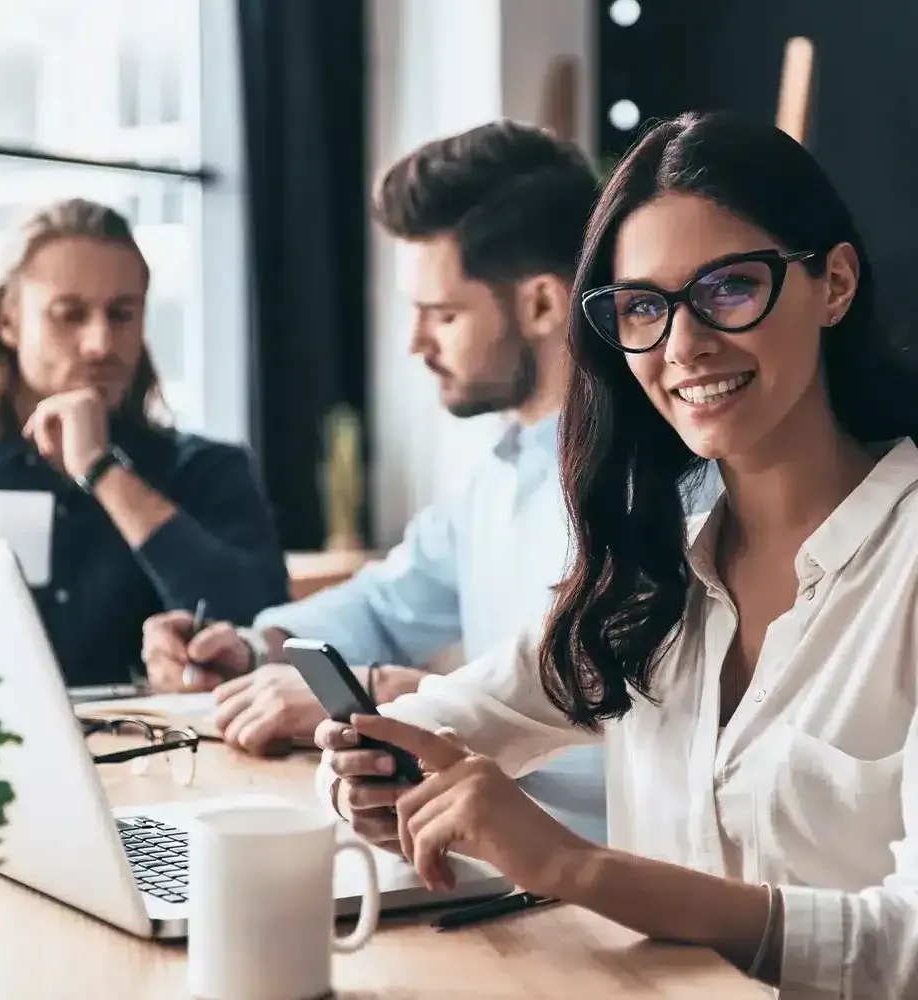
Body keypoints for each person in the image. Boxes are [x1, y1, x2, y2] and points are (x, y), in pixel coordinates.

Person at [316, 110, 918, 998]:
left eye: (729, 288)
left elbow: (905, 942)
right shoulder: (650, 571)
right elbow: (446, 721)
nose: (682, 345)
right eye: (644, 306)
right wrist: (364, 774)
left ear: (834, 283)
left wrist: (578, 867)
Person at [140, 120, 606, 760]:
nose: (416, 343)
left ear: (542, 306)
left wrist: (383, 693)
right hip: (477, 830)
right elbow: (387, 606)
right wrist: (252, 647)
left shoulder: (646, 478)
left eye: (443, 315)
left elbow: (605, 715)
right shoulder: (498, 469)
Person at [0, 199, 289, 686]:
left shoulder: (206, 469)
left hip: (164, 754)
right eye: (69, 315)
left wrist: (102, 471)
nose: (100, 343)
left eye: (122, 314)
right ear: (7, 323)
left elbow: (261, 628)